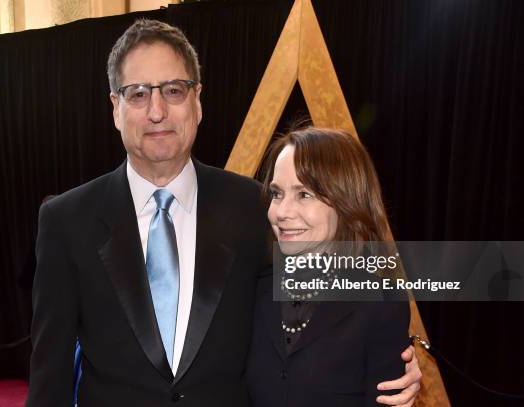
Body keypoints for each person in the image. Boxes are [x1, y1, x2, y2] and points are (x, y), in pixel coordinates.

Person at [27, 19, 420, 406]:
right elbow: (51, 375)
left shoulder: (255, 207)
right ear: (116, 107)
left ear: (197, 101)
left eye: (174, 90)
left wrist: (389, 357)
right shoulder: (67, 221)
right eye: (139, 93)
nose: (157, 110)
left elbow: (321, 293)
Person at [247, 127, 413, 406]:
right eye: (277, 193)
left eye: (303, 195)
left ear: (345, 201)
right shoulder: (255, 286)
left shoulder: (381, 301)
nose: (282, 212)